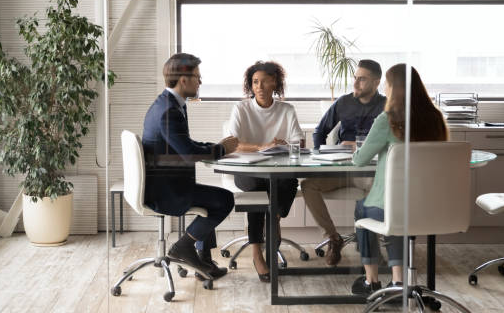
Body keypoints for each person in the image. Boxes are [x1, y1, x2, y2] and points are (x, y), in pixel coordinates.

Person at [350, 63, 448, 296]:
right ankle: (397, 282)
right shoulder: (435, 118)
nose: (385, 86)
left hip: (394, 206)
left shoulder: (387, 120)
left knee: (365, 208)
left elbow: (360, 160)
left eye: (387, 83)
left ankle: (371, 280)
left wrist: (357, 149)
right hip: (428, 206)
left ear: (394, 88)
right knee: (396, 212)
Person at [142, 53, 239, 280]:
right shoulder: (169, 112)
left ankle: (203, 261)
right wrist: (221, 150)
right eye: (197, 76)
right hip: (167, 192)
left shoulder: (169, 105)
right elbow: (188, 153)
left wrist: (216, 147)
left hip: (169, 184)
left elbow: (185, 145)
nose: (200, 81)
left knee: (212, 197)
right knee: (224, 200)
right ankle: (185, 247)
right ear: (183, 80)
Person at [300, 59, 386, 266]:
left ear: (376, 82)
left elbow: (393, 140)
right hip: (340, 167)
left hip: (368, 171)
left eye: (362, 79)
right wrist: (320, 156)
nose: (355, 84)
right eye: (355, 78)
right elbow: (320, 132)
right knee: (308, 185)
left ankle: (369, 251)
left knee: (374, 191)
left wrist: (363, 146)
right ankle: (333, 238)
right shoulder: (343, 102)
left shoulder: (387, 106)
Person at [226, 61, 304, 282]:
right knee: (257, 192)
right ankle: (256, 253)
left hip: (277, 170)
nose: (258, 86)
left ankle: (275, 218)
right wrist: (261, 146)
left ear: (275, 83)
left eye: (263, 81)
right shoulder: (241, 109)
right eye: (254, 82)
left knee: (289, 182)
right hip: (247, 171)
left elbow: (300, 141)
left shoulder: (286, 109)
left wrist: (284, 144)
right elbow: (233, 143)